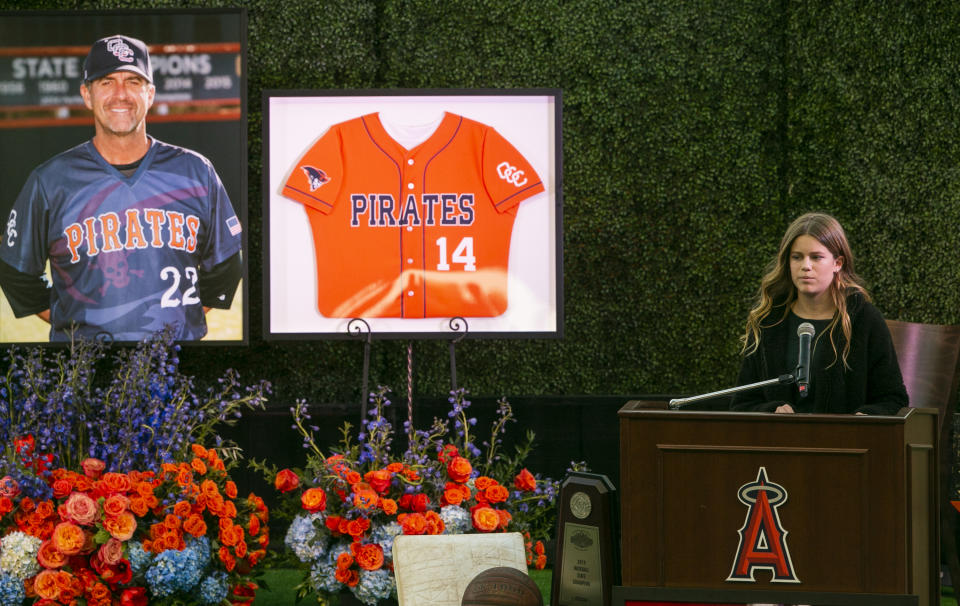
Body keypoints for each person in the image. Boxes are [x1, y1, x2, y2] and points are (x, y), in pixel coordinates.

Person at [0, 35, 242, 342]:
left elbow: (226, 268)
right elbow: (16, 274)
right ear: (86, 95)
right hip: (85, 367)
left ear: (150, 93)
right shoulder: (50, 180)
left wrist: (180, 319)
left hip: (178, 361)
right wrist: (70, 316)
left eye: (133, 81)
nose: (120, 94)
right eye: (106, 82)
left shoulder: (196, 171)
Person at [730, 212, 907, 415]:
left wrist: (864, 420)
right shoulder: (769, 322)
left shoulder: (864, 320)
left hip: (843, 442)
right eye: (797, 257)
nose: (806, 266)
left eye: (816, 257)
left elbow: (893, 398)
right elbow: (742, 403)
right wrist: (772, 411)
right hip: (782, 442)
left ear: (837, 263)